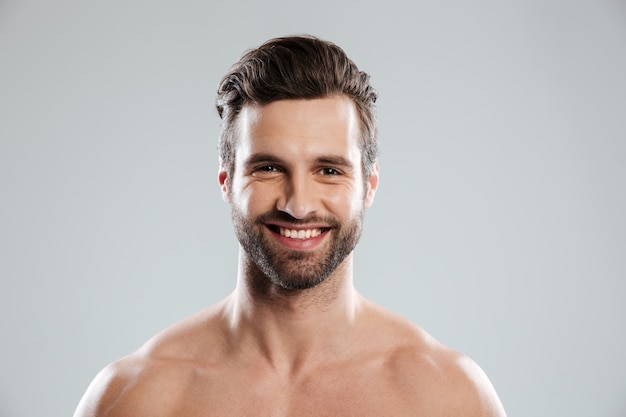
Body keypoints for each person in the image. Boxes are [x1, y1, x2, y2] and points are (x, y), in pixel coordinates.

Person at [73, 34, 507, 416]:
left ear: (369, 185)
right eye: (268, 168)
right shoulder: (135, 398)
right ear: (226, 181)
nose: (298, 205)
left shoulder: (448, 398)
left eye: (329, 171)